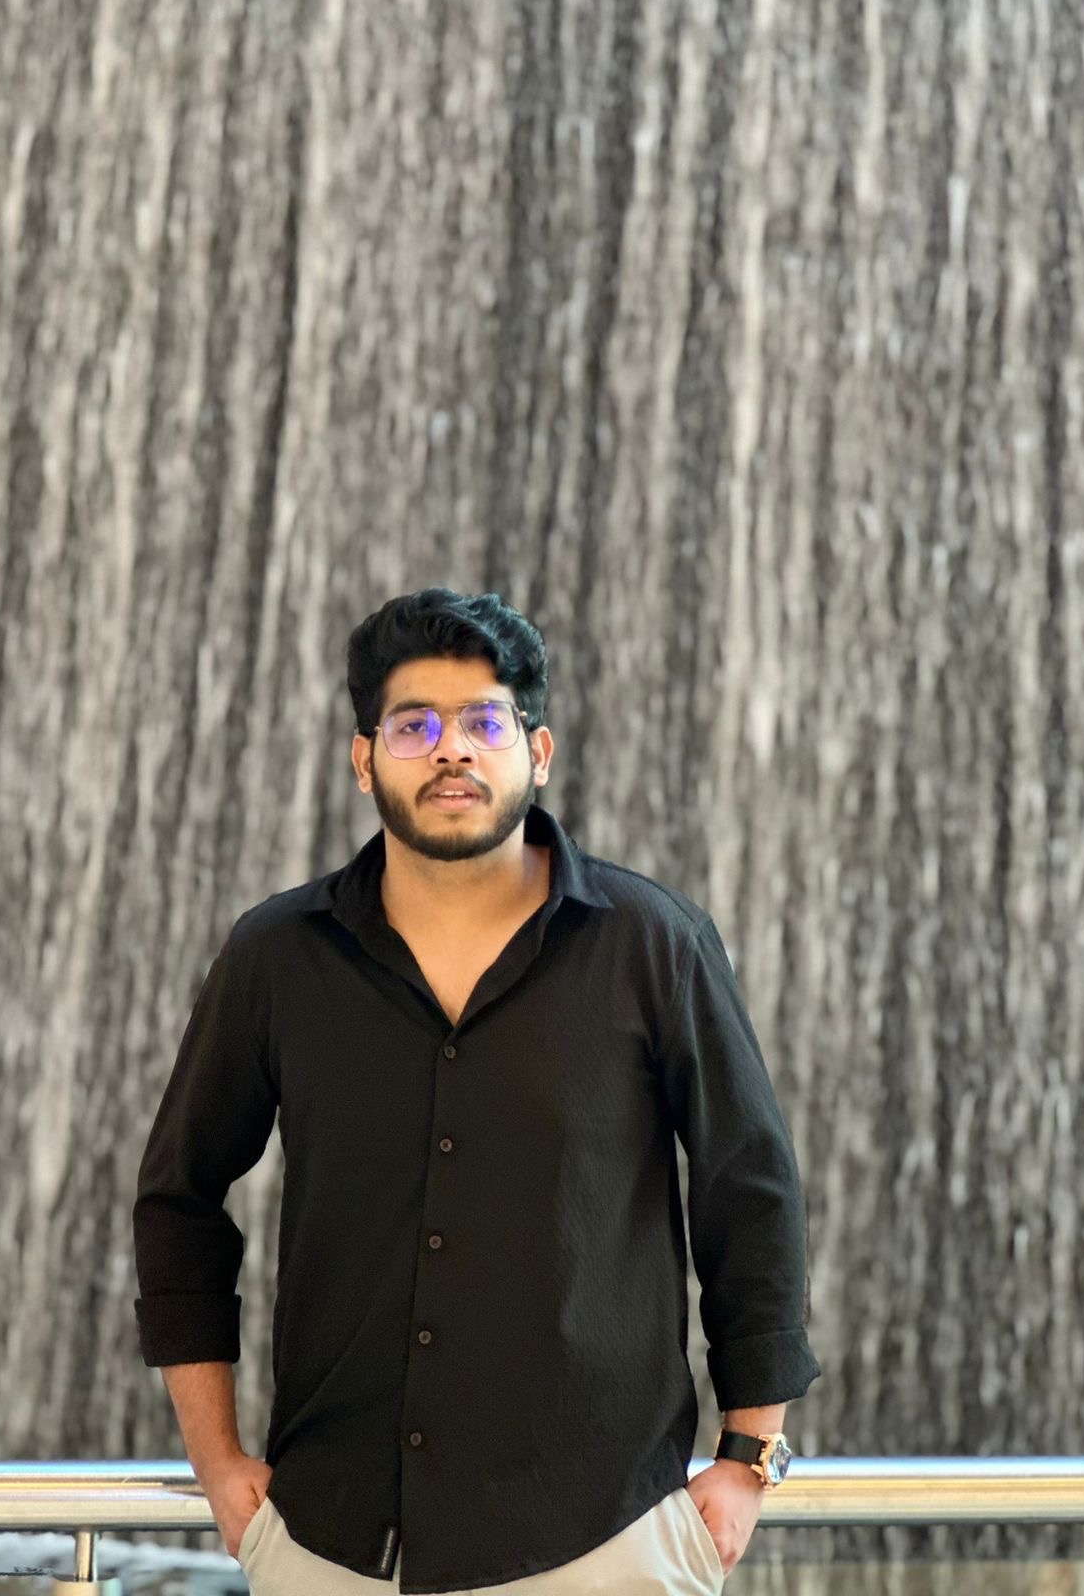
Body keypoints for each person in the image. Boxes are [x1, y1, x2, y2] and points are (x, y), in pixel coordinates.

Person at [133, 587, 821, 1595]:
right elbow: (179, 1196)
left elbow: (749, 1190)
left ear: (536, 753)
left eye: (484, 722)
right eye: (413, 725)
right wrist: (216, 1458)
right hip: (336, 1546)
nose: (450, 748)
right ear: (364, 759)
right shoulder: (277, 957)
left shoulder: (651, 944)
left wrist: (750, 1454)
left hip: (605, 1543)